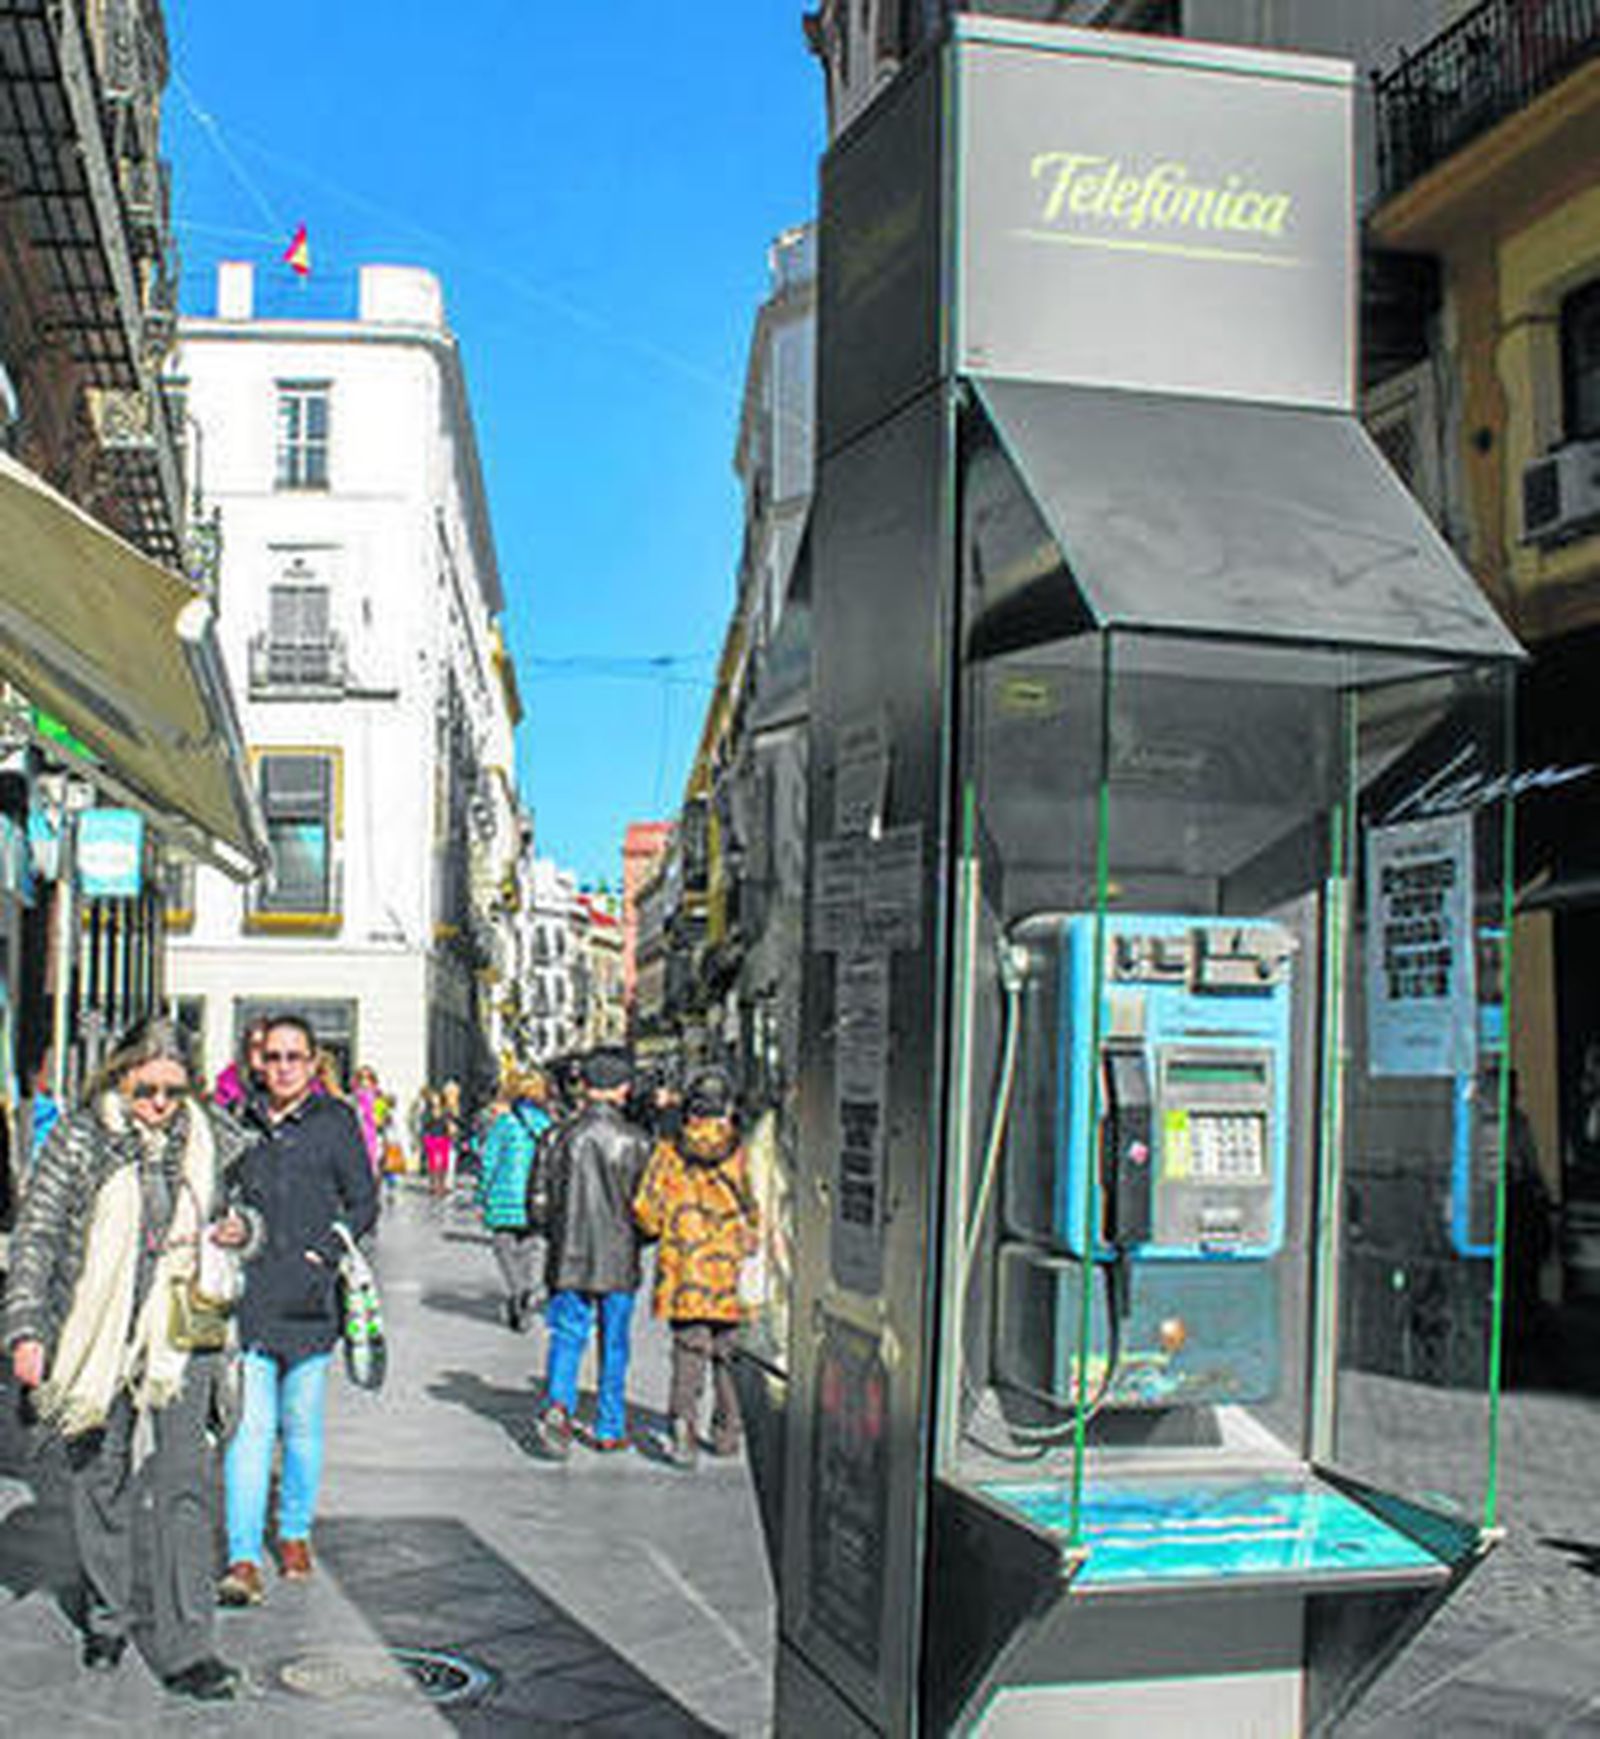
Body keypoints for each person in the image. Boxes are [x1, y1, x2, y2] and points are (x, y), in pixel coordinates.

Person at [5, 1017, 256, 1701]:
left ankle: (189, 1646)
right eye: (146, 1088)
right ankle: (108, 1613)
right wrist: (26, 1328)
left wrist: (244, 1229)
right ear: (120, 1075)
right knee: (100, 1475)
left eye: (174, 1090)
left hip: (182, 1330)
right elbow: (37, 1234)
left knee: (184, 1482)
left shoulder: (210, 1137)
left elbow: (246, 1215)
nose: (159, 1103)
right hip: (94, 1331)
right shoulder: (80, 1138)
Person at [218, 1013, 377, 1606]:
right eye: (273, 1057)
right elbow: (217, 1192)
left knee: (302, 1426)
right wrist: (226, 1227)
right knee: (249, 1429)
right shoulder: (240, 1121)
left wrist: (326, 1252)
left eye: (294, 1057)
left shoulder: (336, 1123)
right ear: (259, 1062)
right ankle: (240, 1554)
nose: (282, 1068)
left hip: (311, 1301)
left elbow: (364, 1201)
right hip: (252, 1294)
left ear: (313, 1064)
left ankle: (293, 1533)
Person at [633, 1066, 759, 1468]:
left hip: (685, 1271)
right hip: (732, 1273)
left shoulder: (668, 1154)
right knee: (730, 1353)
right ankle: (727, 1433)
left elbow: (646, 1212)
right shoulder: (745, 1154)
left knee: (689, 1351)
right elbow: (764, 1208)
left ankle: (682, 1425)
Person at [537, 1048, 652, 1456]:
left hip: (568, 1257)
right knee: (615, 1343)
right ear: (622, 1090)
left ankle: (558, 1405)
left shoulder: (556, 1137)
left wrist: (557, 1234)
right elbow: (649, 1210)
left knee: (567, 1336)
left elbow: (536, 1204)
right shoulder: (638, 1142)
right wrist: (640, 1240)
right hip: (619, 1260)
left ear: (584, 1087)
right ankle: (608, 1426)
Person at [475, 1069, 553, 1331]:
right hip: (538, 1199)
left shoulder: (505, 1124)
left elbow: (489, 1162)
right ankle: (528, 1291)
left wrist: (482, 1196)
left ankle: (519, 1291)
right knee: (531, 1247)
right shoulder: (547, 1124)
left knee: (503, 1245)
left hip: (504, 1197)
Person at [213, 1018, 268, 1115]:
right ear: (247, 1049)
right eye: (256, 1046)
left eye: (267, 1046)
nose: (263, 1052)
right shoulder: (229, 1081)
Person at [419, 1087, 453, 1199]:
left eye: (437, 1099)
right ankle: (433, 1184)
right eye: (433, 1099)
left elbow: (449, 1123)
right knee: (433, 1162)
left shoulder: (446, 1111)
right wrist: (425, 1137)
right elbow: (424, 1124)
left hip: (443, 1138)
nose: (435, 1101)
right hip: (432, 1138)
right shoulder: (427, 1112)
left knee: (444, 1162)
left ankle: (442, 1184)